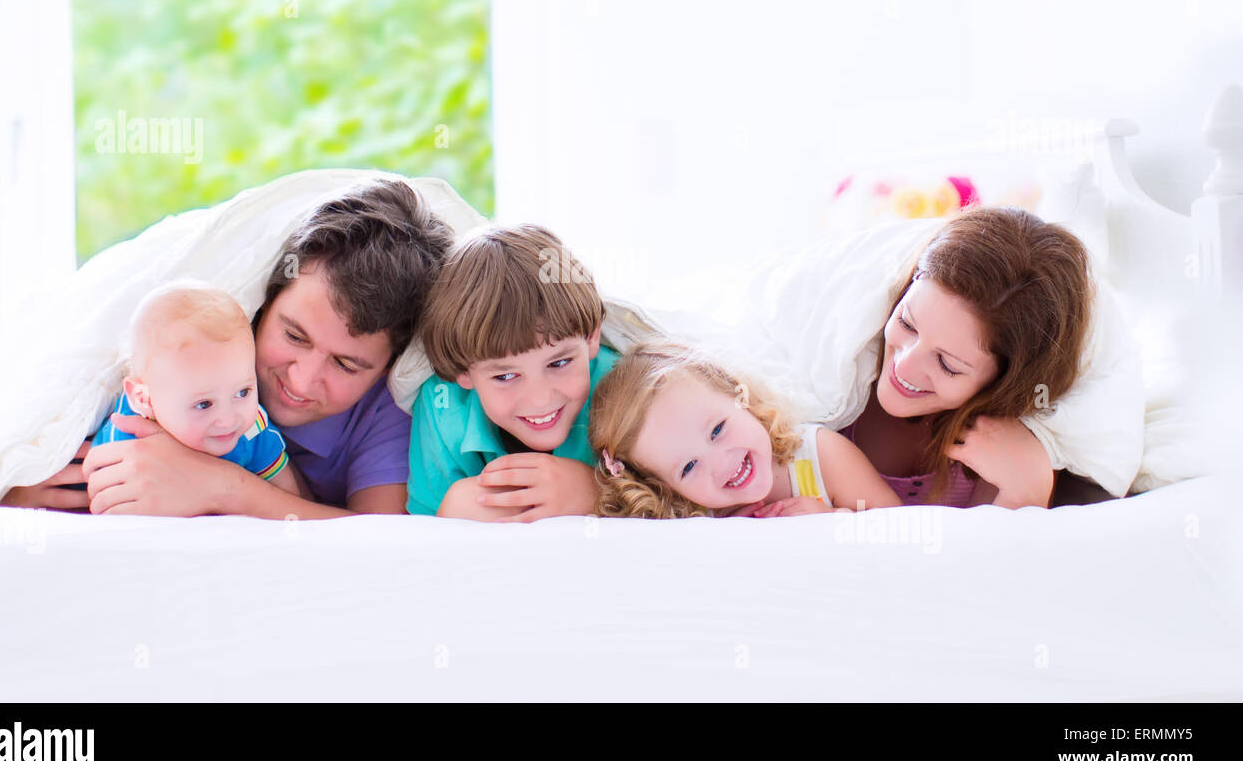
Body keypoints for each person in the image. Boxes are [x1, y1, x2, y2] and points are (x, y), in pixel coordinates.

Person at [0, 179, 453, 518]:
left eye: (347, 364)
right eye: (294, 336)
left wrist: (221, 487)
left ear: (387, 366)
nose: (302, 379)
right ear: (264, 303)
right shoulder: (195, 349)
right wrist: (14, 491)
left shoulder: (387, 414)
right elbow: (25, 443)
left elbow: (379, 541)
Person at [838, 206, 1095, 508]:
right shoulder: (833, 383)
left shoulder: (1005, 453)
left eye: (948, 365)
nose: (904, 365)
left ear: (1002, 382)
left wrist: (1028, 495)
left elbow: (991, 554)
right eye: (907, 323)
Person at [406, 224, 618, 521]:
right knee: (461, 503)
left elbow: (681, 489)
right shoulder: (442, 406)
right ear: (463, 370)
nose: (540, 398)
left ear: (592, 337)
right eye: (505, 376)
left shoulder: (622, 386)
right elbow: (425, 527)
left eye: (559, 363)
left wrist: (595, 489)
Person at [588, 339, 901, 517]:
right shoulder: (697, 520)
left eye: (717, 430)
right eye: (689, 467)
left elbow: (897, 529)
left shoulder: (820, 455)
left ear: (739, 395)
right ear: (665, 487)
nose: (722, 463)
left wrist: (830, 521)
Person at [89, 280, 299, 493]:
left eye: (242, 392)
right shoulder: (129, 442)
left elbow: (288, 497)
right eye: (203, 404)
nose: (228, 420)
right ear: (143, 399)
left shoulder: (253, 428)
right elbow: (112, 503)